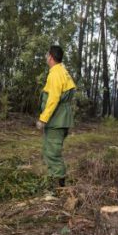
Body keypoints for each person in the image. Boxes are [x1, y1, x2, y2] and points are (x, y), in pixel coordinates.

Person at [37, 45, 77, 189]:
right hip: (61, 119)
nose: (46, 57)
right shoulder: (63, 71)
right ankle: (57, 185)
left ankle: (57, 189)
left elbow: (53, 98)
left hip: (56, 120)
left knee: (52, 153)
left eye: (47, 55)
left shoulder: (55, 74)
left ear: (51, 57)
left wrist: (43, 119)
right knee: (52, 151)